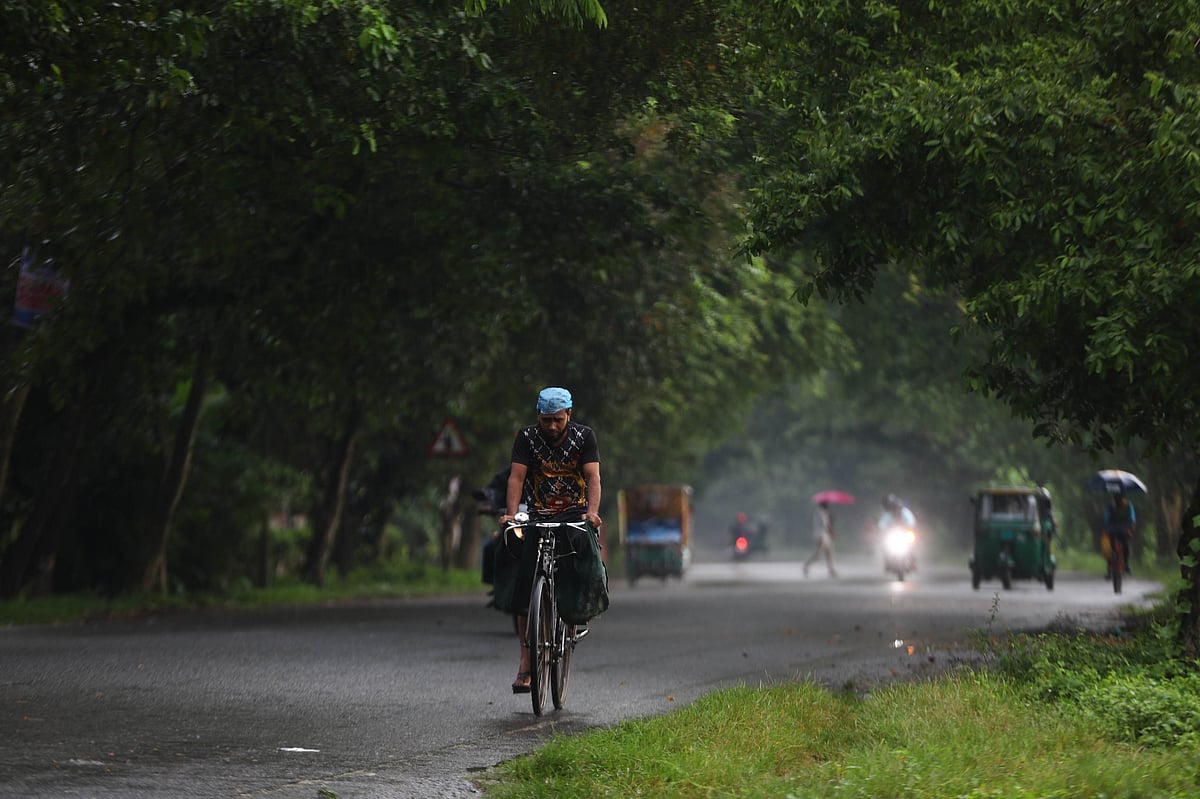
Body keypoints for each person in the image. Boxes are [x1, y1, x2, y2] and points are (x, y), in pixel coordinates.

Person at [497, 387, 602, 694]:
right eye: (546, 421)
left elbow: (593, 477)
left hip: (575, 514)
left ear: (569, 415)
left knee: (583, 562)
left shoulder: (585, 437)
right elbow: (516, 477)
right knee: (522, 578)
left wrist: (592, 513)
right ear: (537, 417)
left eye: (558, 420)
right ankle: (526, 662)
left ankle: (576, 616)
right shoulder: (526, 438)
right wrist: (511, 514)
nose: (552, 427)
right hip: (537, 514)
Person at [1103, 493, 1135, 577]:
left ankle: (1111, 568)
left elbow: (1106, 519)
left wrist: (1107, 528)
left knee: (1111, 547)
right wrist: (1131, 527)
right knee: (1125, 546)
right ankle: (1126, 565)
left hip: (1114, 530)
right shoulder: (1128, 505)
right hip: (1122, 530)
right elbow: (1132, 518)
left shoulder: (1110, 506)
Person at [803, 500, 837, 577]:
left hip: (820, 535)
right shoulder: (822, 513)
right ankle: (806, 565)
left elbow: (826, 525)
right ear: (824, 504)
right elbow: (827, 526)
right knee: (820, 554)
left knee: (829, 553)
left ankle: (831, 570)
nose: (828, 504)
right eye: (827, 503)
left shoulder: (819, 512)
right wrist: (832, 533)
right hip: (822, 536)